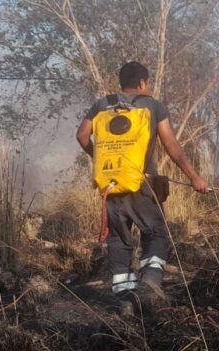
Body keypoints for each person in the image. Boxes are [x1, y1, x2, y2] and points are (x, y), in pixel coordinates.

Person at [76, 61, 208, 310]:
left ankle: (123, 300)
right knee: (155, 233)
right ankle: (149, 285)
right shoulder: (153, 105)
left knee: (119, 238)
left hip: (111, 183)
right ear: (143, 83)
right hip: (142, 182)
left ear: (121, 82)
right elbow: (171, 145)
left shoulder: (101, 104)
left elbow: (82, 135)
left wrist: (100, 159)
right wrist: (194, 178)